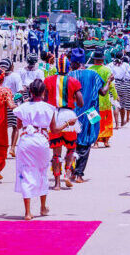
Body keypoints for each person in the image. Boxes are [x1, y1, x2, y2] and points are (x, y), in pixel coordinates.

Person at [14, 79, 78, 220]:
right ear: (43, 92)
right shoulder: (49, 108)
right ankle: (43, 208)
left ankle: (27, 212)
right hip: (41, 140)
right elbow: (54, 130)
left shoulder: (23, 107)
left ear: (30, 91)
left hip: (26, 140)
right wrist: (68, 123)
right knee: (42, 172)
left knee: (25, 173)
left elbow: (18, 126)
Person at [69, 49, 111, 183]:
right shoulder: (93, 74)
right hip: (91, 112)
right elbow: (103, 92)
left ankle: (71, 170)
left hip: (73, 113)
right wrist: (109, 81)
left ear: (74, 62)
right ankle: (79, 174)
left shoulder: (70, 75)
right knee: (87, 142)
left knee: (73, 142)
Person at [44, 54, 84, 190]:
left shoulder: (48, 80)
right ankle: (67, 173)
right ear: (68, 67)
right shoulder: (73, 81)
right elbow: (81, 102)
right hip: (68, 115)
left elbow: (44, 100)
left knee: (56, 153)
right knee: (71, 148)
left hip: (53, 116)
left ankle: (56, 183)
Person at [89, 50, 118, 148]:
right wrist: (115, 96)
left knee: (93, 120)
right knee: (106, 121)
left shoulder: (90, 69)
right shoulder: (107, 70)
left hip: (91, 101)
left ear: (94, 60)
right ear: (102, 60)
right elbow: (111, 85)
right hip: (104, 101)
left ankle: (95, 142)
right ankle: (106, 141)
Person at [0, 58, 24, 158]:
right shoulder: (15, 76)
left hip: (1, 104)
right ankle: (12, 148)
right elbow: (20, 91)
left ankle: (4, 148)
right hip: (13, 103)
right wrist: (15, 99)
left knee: (3, 128)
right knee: (15, 127)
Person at [110, 54, 130, 127]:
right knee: (123, 104)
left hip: (114, 84)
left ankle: (116, 124)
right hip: (123, 84)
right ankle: (122, 121)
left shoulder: (111, 64)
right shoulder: (125, 65)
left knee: (115, 104)